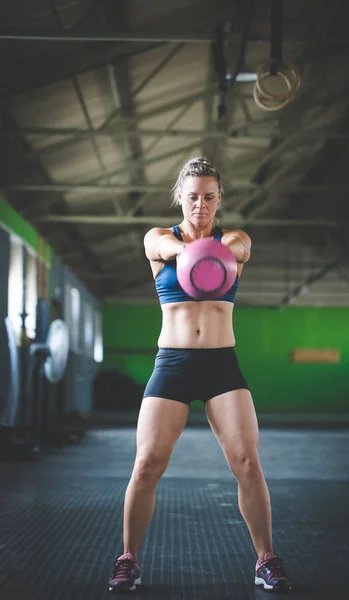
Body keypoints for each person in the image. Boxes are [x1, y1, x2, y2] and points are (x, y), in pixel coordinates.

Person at [108, 157, 292, 593]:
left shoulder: (234, 240)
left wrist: (220, 249)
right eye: (192, 197)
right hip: (171, 363)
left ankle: (266, 559)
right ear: (179, 197)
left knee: (247, 462)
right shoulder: (159, 239)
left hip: (220, 364)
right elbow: (165, 250)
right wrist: (189, 250)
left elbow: (240, 249)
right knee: (147, 462)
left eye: (210, 197)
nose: (201, 206)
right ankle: (128, 559)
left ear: (219, 199)